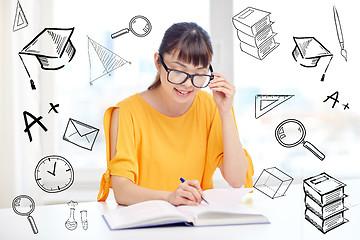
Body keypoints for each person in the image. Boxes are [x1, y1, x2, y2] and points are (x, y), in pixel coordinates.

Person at [97, 22, 254, 206]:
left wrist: (226, 112)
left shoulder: (212, 107)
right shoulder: (127, 112)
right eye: (178, 71)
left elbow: (236, 180)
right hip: (144, 225)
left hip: (194, 225)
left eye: (199, 73)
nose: (188, 84)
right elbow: (122, 191)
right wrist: (170, 198)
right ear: (158, 62)